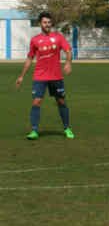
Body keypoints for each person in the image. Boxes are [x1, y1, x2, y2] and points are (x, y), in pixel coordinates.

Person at [14, 11, 75, 140]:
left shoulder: (58, 37)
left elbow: (68, 50)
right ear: (40, 24)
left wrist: (68, 63)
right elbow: (30, 58)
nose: (47, 24)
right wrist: (21, 76)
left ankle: (67, 128)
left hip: (56, 76)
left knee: (61, 101)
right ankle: (34, 131)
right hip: (40, 76)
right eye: (44, 22)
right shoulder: (35, 40)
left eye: (49, 22)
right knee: (36, 101)